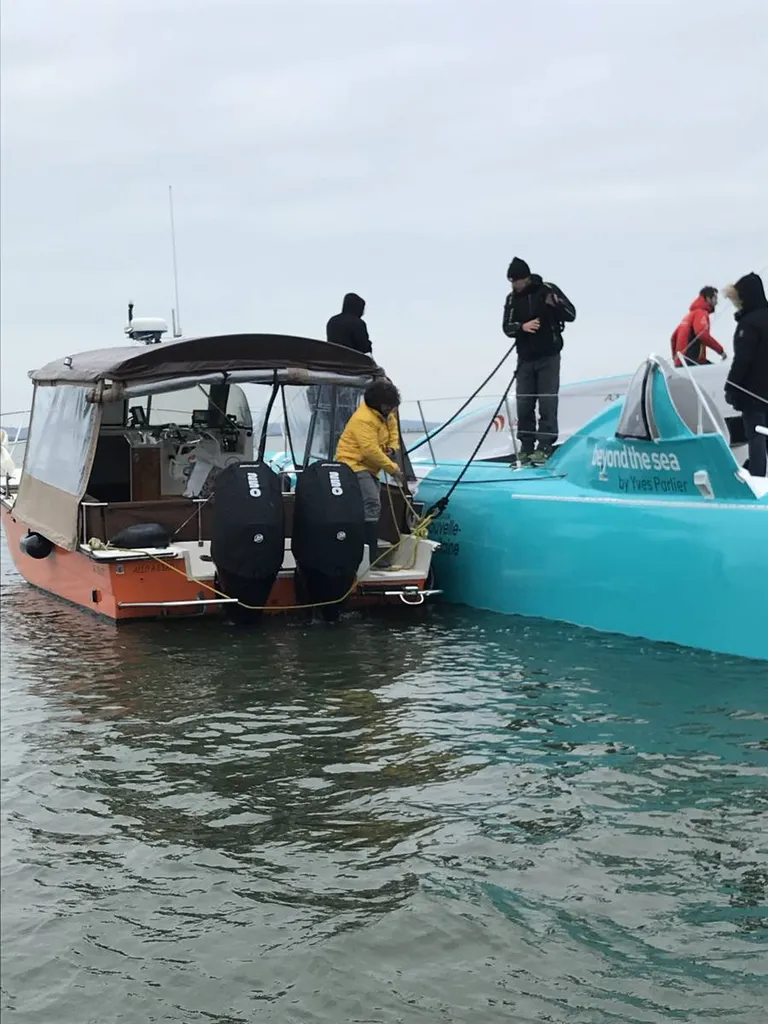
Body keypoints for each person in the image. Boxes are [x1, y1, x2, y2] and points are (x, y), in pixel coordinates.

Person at [502, 257, 576, 463]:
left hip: (549, 356)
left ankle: (545, 445)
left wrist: (556, 304)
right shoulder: (511, 299)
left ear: (525, 278)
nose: (513, 285)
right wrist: (522, 327)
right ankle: (526, 446)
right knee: (524, 402)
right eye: (511, 281)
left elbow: (571, 314)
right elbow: (506, 327)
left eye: (515, 281)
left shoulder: (547, 289)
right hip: (525, 358)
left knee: (547, 401)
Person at [335, 379, 403, 570]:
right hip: (353, 464)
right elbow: (369, 451)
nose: (391, 410)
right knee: (372, 503)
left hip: (372, 468)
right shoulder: (363, 419)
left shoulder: (386, 413)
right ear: (379, 404)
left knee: (371, 506)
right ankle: (370, 555)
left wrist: (392, 449)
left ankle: (366, 552)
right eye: (389, 406)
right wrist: (393, 469)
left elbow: (393, 431)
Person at [311, 293, 373, 456]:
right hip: (351, 373)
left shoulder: (332, 322)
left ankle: (329, 447)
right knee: (348, 412)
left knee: (332, 414)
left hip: (331, 371)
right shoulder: (358, 323)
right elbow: (364, 347)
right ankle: (349, 447)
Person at [723, 272, 768, 477]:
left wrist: (731, 387)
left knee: (756, 438)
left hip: (754, 395)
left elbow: (742, 360)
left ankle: (757, 481)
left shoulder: (749, 324)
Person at [671, 287, 726, 367]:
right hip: (692, 362)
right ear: (708, 298)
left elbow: (673, 338)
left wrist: (676, 360)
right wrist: (720, 351)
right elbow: (702, 334)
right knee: (720, 374)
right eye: (715, 298)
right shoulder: (701, 313)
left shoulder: (689, 315)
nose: (717, 302)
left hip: (682, 363)